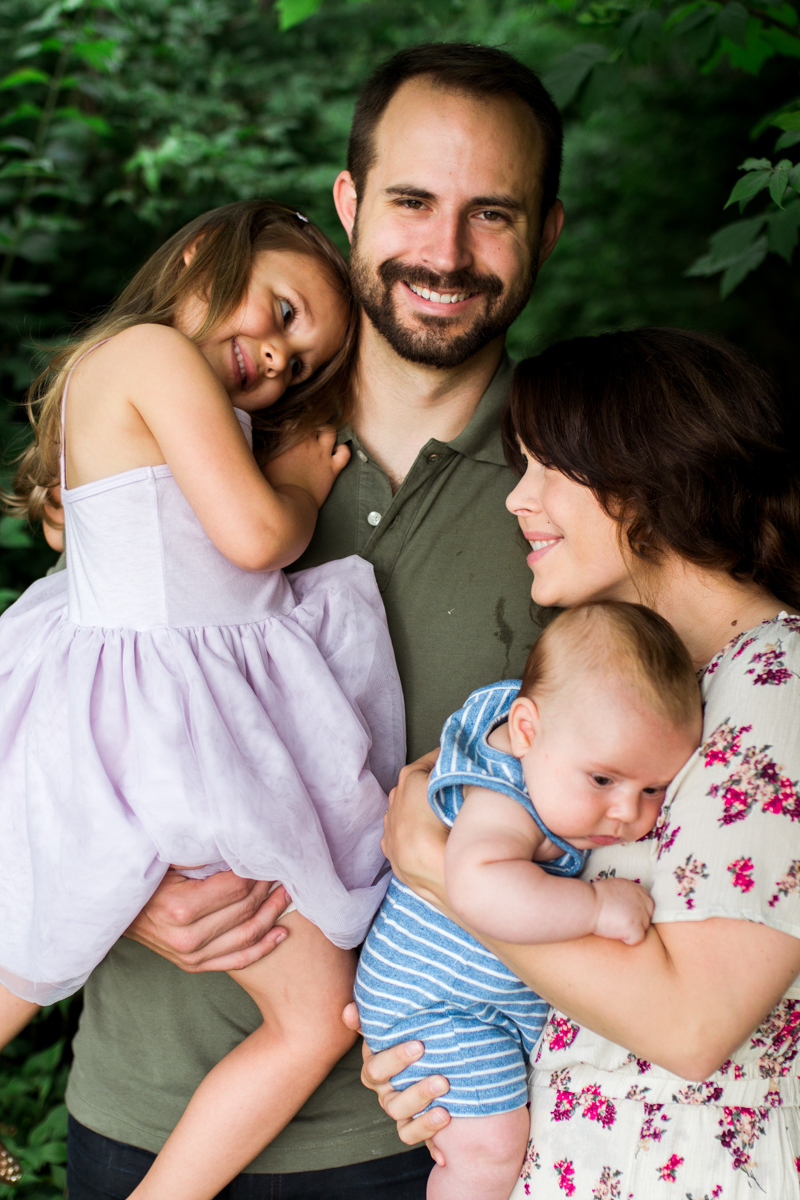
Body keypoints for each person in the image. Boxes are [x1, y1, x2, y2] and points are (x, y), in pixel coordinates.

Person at [59, 42, 566, 1200]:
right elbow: (51, 700)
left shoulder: (580, 488)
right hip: (138, 1110)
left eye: (490, 214)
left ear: (543, 232)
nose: (443, 253)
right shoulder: (195, 431)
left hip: (419, 1140)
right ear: (349, 207)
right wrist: (116, 886)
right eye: (410, 202)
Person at [0, 198, 406, 1199]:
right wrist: (304, 486)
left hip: (136, 712)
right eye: (275, 311)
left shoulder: (148, 388)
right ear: (197, 255)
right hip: (164, 722)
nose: (272, 357)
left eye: (299, 361)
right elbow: (254, 540)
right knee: (313, 1020)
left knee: (39, 938)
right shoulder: (147, 355)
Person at [361, 327, 800, 1199]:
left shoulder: (779, 684)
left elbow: (690, 1023)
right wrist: (446, 1046)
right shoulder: (667, 693)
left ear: (639, 479)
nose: (518, 499)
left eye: (545, 469)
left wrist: (440, 873)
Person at [356, 601, 702, 1200]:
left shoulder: (557, 749)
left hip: (472, 1000)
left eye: (653, 788)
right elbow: (477, 886)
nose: (626, 812)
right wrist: (594, 908)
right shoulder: (504, 795)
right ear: (525, 730)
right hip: (439, 1005)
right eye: (603, 780)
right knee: (489, 1155)